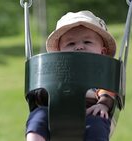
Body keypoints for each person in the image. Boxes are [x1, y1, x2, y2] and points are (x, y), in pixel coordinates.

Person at [25, 10, 117, 141]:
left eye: (87, 42)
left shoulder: (100, 76)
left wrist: (102, 105)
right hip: (55, 115)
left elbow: (108, 92)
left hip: (90, 114)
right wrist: (40, 91)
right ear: (59, 53)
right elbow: (42, 95)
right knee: (38, 115)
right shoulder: (55, 75)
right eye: (71, 43)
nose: (79, 47)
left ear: (102, 52)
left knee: (98, 122)